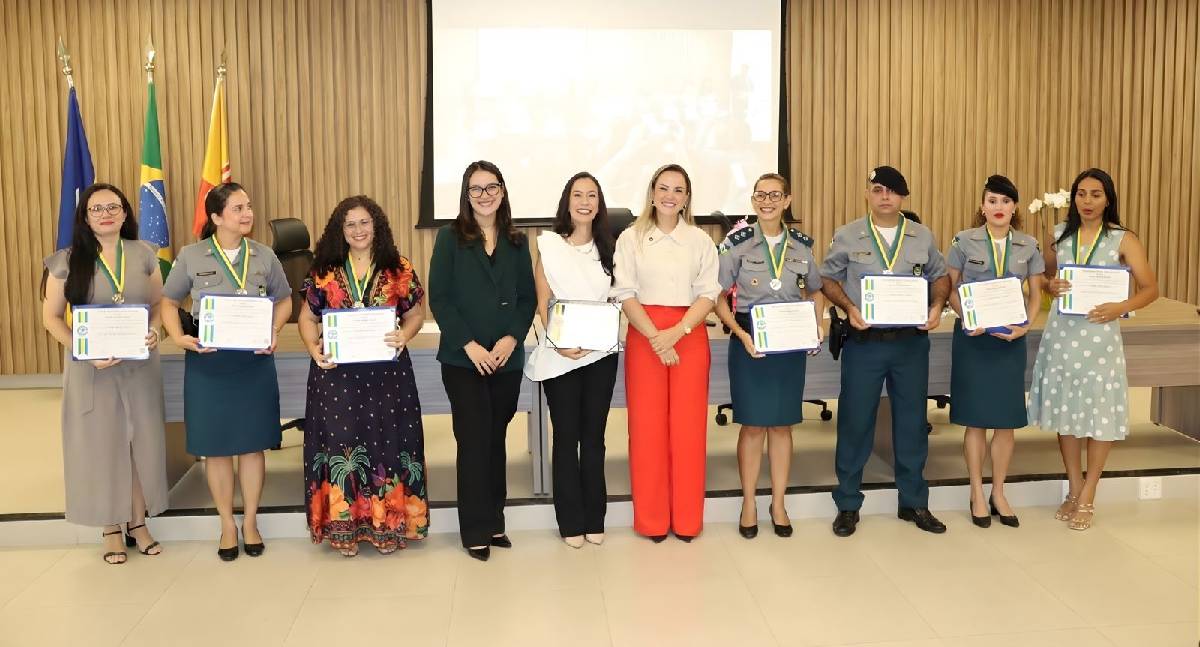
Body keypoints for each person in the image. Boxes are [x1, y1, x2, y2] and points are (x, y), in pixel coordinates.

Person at [161, 182, 292, 561]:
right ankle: (226, 524)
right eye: (238, 208)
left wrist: (274, 329)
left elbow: (283, 301)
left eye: (248, 206)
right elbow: (169, 302)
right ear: (217, 217)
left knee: (252, 446)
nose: (247, 213)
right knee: (216, 449)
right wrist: (178, 336)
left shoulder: (265, 255)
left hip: (253, 360)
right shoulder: (191, 255)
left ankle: (250, 520)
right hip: (209, 360)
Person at [819, 165, 951, 537]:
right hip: (865, 343)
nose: (885, 197)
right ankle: (847, 504)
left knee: (911, 424)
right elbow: (826, 278)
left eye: (892, 191)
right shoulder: (847, 235)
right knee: (855, 423)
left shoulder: (921, 236)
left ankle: (913, 502)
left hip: (910, 344)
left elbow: (940, 276)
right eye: (878, 190)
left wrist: (937, 306)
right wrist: (849, 308)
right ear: (868, 194)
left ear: (903, 198)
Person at [41, 183, 168, 564]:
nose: (106, 214)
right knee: (102, 446)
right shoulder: (67, 260)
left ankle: (138, 523)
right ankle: (110, 528)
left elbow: (159, 303)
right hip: (91, 370)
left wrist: (156, 329)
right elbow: (51, 318)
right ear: (85, 217)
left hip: (139, 366)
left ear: (126, 213)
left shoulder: (144, 254)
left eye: (113, 206)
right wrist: (84, 351)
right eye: (96, 209)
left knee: (138, 445)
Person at [299, 195, 429, 556]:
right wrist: (314, 349)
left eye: (365, 223)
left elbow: (416, 313)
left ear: (377, 227)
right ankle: (345, 530)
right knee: (343, 448)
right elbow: (307, 318)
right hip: (336, 377)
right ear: (340, 230)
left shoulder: (398, 268)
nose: (358, 230)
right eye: (350, 224)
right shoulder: (323, 269)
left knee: (388, 443)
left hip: (388, 375)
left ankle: (388, 526)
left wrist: (405, 334)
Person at [1029, 168, 1158, 531]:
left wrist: (1121, 307)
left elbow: (1150, 288)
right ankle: (1072, 488)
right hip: (1062, 335)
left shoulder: (1123, 239)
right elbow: (1043, 276)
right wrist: (1050, 285)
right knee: (1067, 411)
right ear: (1073, 198)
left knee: (1099, 413)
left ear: (1108, 199)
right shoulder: (1060, 235)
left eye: (1095, 194)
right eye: (1081, 194)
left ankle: (1089, 493)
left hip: (1100, 337)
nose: (1087, 201)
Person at [428, 160, 536, 561]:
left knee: (495, 440)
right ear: (466, 195)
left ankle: (494, 521)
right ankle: (473, 529)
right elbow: (440, 297)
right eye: (477, 189)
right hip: (463, 360)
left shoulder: (517, 240)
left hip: (506, 359)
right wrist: (469, 344)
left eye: (492, 187)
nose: (485, 195)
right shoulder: (449, 238)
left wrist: (511, 337)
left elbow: (527, 297)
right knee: (473, 443)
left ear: (503, 192)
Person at [611, 163, 721, 542]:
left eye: (678, 189)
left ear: (687, 197)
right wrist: (657, 336)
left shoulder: (700, 240)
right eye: (663, 188)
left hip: (688, 334)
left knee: (689, 431)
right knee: (647, 430)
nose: (670, 195)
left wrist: (676, 332)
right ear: (652, 193)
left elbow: (709, 293)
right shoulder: (631, 238)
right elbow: (625, 292)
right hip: (645, 336)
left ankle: (687, 520)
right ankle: (653, 521)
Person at [714, 173, 824, 539]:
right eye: (761, 195)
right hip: (751, 343)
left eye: (775, 195)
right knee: (753, 424)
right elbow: (715, 296)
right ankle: (749, 502)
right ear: (753, 201)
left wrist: (816, 322)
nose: (767, 202)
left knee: (782, 424)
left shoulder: (802, 246)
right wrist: (740, 333)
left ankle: (778, 502)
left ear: (787, 200)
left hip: (789, 345)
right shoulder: (737, 244)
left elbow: (816, 290)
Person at [525, 172, 619, 549]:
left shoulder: (611, 247)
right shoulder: (549, 246)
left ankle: (595, 517)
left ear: (599, 203)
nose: (585, 201)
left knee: (594, 438)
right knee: (566, 438)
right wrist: (559, 342)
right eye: (577, 195)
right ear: (567, 202)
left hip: (600, 355)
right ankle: (570, 522)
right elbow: (544, 302)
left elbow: (618, 297)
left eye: (592, 195)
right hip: (560, 355)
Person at [946, 175, 1044, 528]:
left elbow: (1035, 293)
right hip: (974, 338)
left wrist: (1027, 325)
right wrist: (965, 314)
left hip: (1010, 339)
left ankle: (998, 491)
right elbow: (949, 286)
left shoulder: (1028, 245)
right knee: (975, 420)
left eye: (1004, 201)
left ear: (1015, 207)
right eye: (991, 201)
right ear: (982, 206)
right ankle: (976, 491)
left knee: (1005, 422)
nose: (998, 208)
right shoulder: (963, 241)